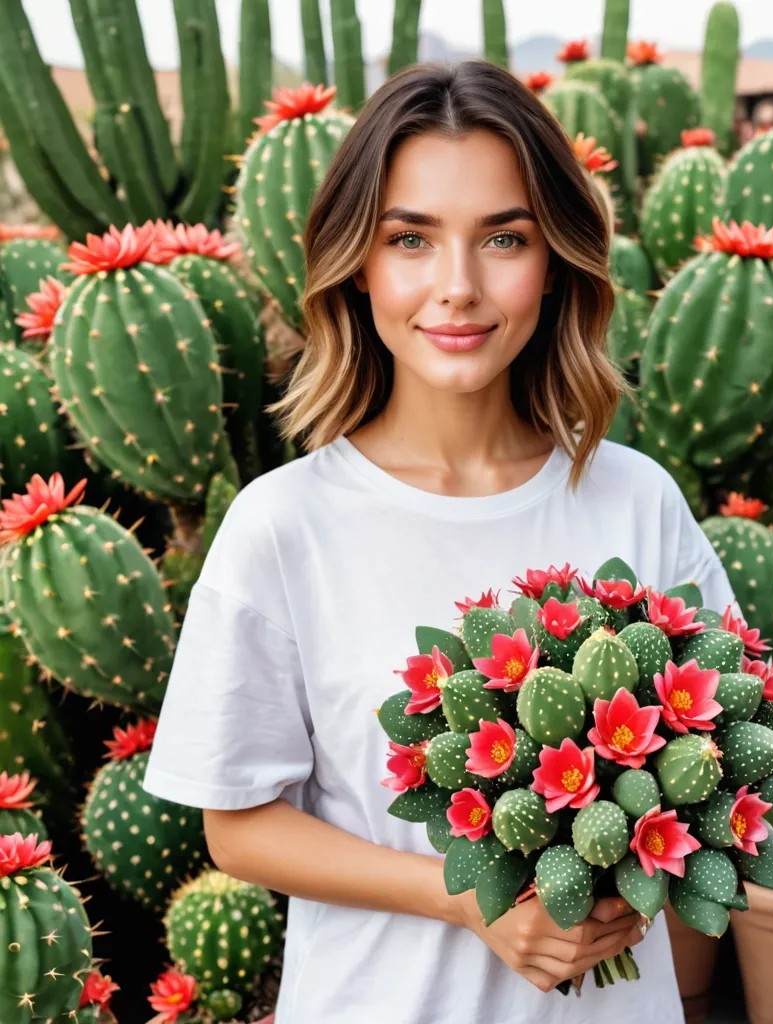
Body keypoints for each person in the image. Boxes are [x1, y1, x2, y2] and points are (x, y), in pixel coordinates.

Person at [143, 58, 735, 1024]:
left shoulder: (637, 500)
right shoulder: (283, 525)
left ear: (555, 264)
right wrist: (464, 899)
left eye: (504, 238)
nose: (457, 287)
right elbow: (238, 827)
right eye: (410, 239)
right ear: (359, 264)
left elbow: (718, 765)